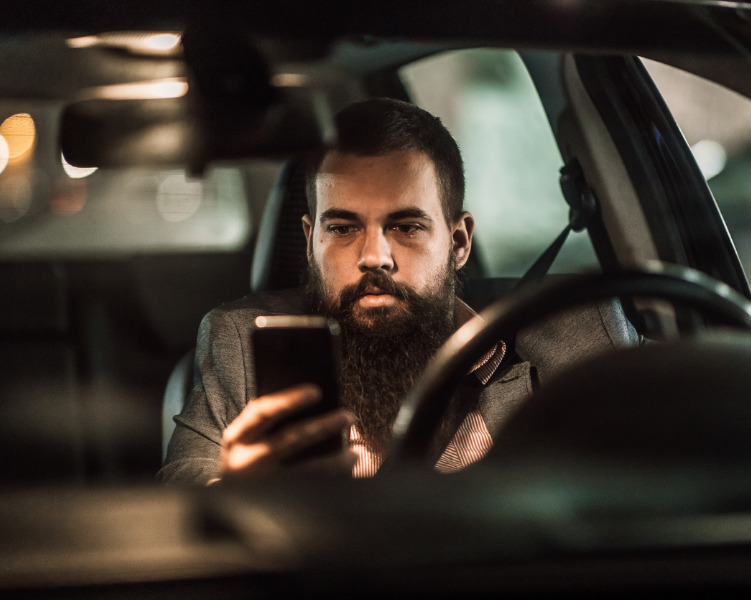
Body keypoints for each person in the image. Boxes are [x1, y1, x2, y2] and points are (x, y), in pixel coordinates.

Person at [157, 98, 636, 485]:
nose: (375, 256)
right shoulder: (244, 344)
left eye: (406, 226)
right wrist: (241, 493)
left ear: (459, 242)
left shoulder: (577, 341)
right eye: (343, 229)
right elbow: (182, 492)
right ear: (310, 242)